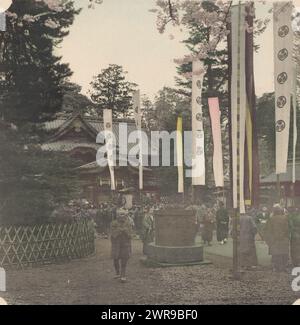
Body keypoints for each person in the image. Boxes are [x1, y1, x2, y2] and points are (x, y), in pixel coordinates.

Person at [264, 204, 290, 272]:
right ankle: (283, 267)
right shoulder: (285, 218)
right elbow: (287, 229)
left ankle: (276, 268)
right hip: (283, 239)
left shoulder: (271, 219)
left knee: (276, 254)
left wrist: (269, 240)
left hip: (274, 239)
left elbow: (268, 230)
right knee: (283, 254)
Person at [110, 208, 132, 282]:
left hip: (125, 244)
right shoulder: (113, 223)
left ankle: (123, 275)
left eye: (123, 214)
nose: (122, 216)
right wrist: (120, 230)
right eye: (120, 214)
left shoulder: (128, 223)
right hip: (116, 244)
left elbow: (130, 234)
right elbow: (113, 234)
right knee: (115, 259)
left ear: (126, 215)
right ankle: (117, 272)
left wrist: (126, 231)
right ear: (117, 215)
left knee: (124, 259)